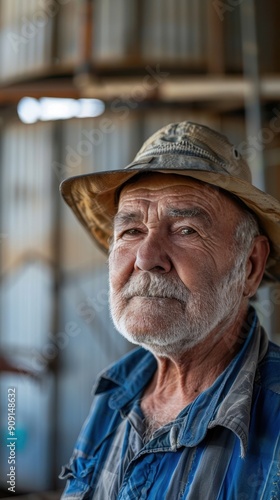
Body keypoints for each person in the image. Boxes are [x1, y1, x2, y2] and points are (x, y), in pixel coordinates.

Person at [59, 121, 280, 499]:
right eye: (131, 231)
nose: (146, 258)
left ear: (250, 266)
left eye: (186, 230)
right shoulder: (115, 394)